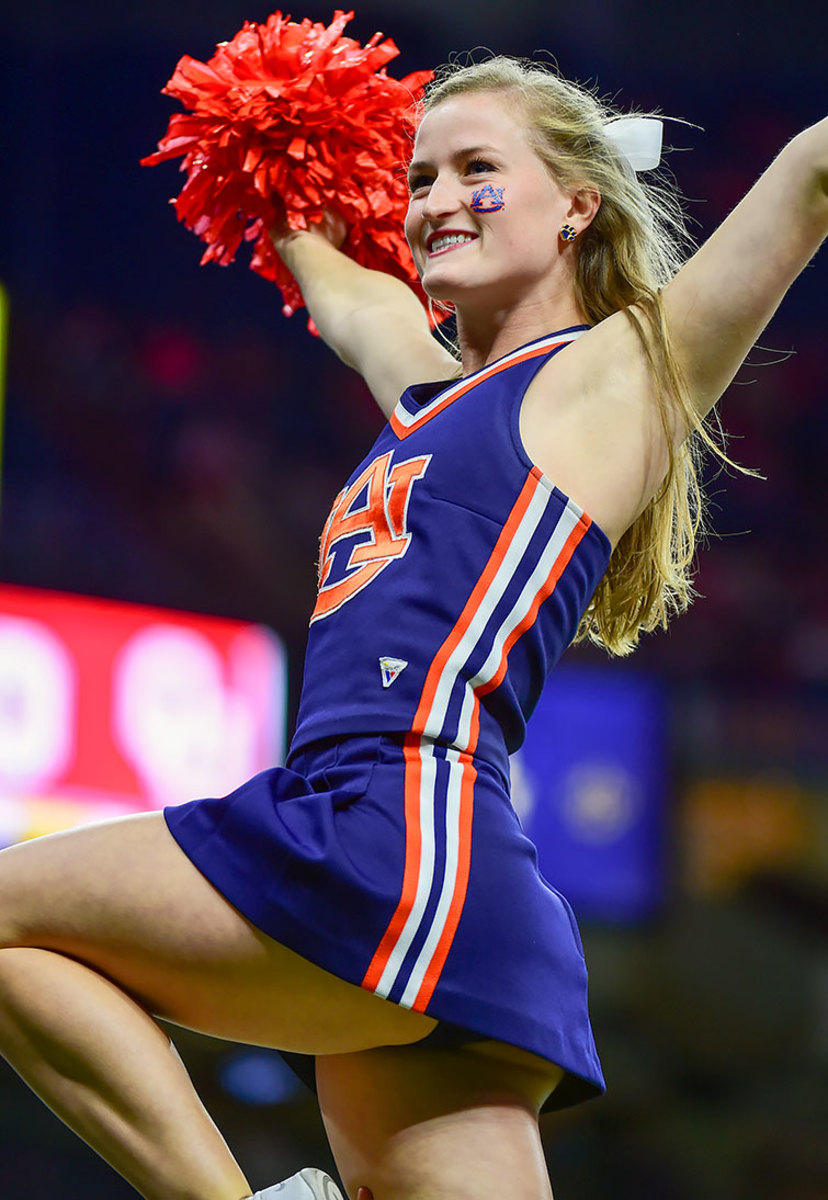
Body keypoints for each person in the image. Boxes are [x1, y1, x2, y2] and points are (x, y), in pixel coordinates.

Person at [0, 54, 825, 1200]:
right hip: (431, 873)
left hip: (395, 833)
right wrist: (267, 148)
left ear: (576, 203)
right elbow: (349, 296)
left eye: (477, 168)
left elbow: (813, 170)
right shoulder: (425, 395)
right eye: (421, 177)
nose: (437, 200)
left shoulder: (613, 382)